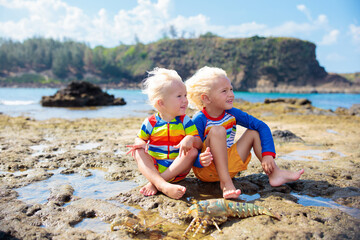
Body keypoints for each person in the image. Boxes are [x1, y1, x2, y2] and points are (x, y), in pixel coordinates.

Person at [185, 66, 304, 199]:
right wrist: (199, 161)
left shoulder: (232, 113)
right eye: (224, 91)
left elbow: (262, 126)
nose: (231, 94)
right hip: (207, 169)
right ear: (206, 98)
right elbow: (191, 149)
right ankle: (225, 184)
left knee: (254, 131)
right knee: (217, 131)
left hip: (230, 165)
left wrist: (268, 155)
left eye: (231, 89)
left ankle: (274, 173)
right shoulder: (199, 119)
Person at [127, 67, 202, 199]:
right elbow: (140, 139)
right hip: (155, 167)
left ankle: (157, 183)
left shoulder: (185, 121)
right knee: (137, 151)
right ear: (161, 103)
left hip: (178, 169)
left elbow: (199, 143)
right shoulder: (150, 122)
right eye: (179, 96)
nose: (185, 100)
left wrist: (190, 139)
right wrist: (140, 144)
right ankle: (163, 184)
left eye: (185, 95)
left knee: (193, 152)